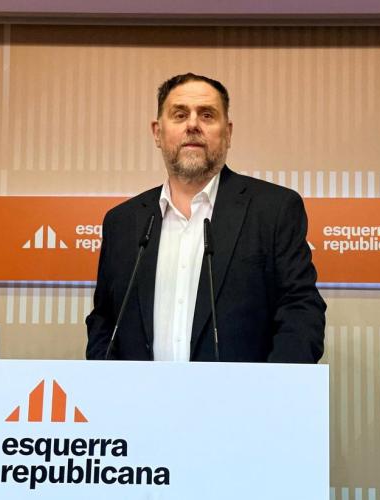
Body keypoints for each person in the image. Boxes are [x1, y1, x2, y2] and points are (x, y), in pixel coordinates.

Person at [86, 73, 326, 363]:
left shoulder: (273, 210)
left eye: (207, 115)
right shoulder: (122, 222)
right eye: (179, 114)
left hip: (243, 393)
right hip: (138, 392)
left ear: (228, 132)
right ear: (157, 133)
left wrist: (272, 386)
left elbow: (300, 310)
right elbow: (104, 320)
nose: (192, 125)